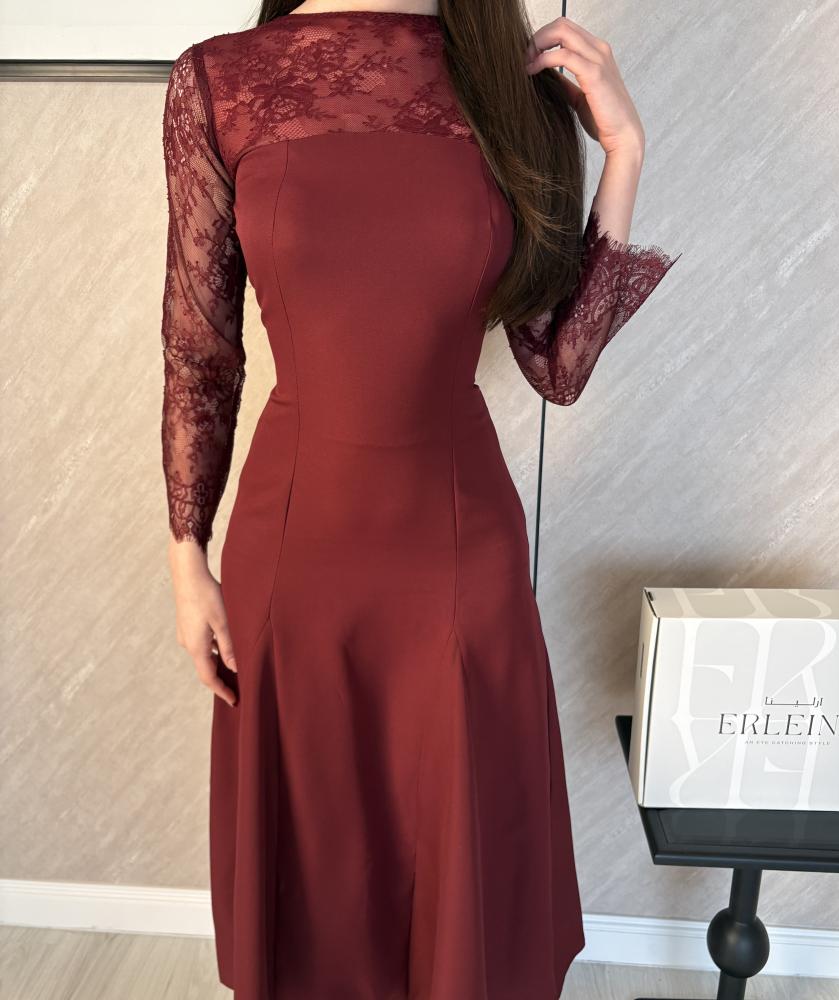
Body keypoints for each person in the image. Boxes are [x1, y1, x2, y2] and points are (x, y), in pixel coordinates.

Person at [159, 2, 680, 997]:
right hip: (295, 548)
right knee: (315, 877)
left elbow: (556, 366)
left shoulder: (507, 80)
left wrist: (622, 149)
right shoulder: (220, 80)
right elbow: (200, 347)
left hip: (457, 542)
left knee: (460, 874)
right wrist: (187, 555)